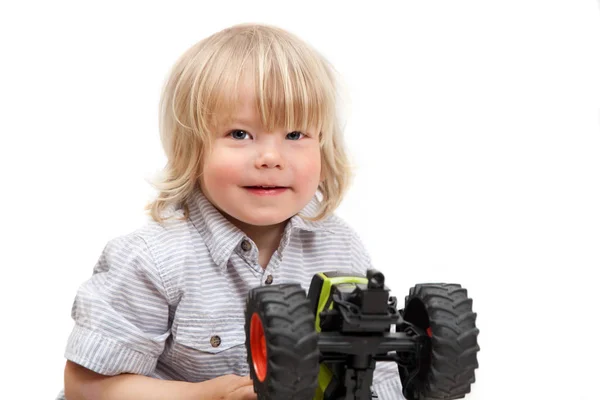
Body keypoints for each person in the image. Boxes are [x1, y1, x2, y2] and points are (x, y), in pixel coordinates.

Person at [57, 23, 403, 400]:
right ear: (193, 147)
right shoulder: (153, 259)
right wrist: (203, 396)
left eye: (294, 135)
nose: (270, 158)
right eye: (240, 134)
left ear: (322, 145)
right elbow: (86, 385)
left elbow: (379, 372)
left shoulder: (339, 247)